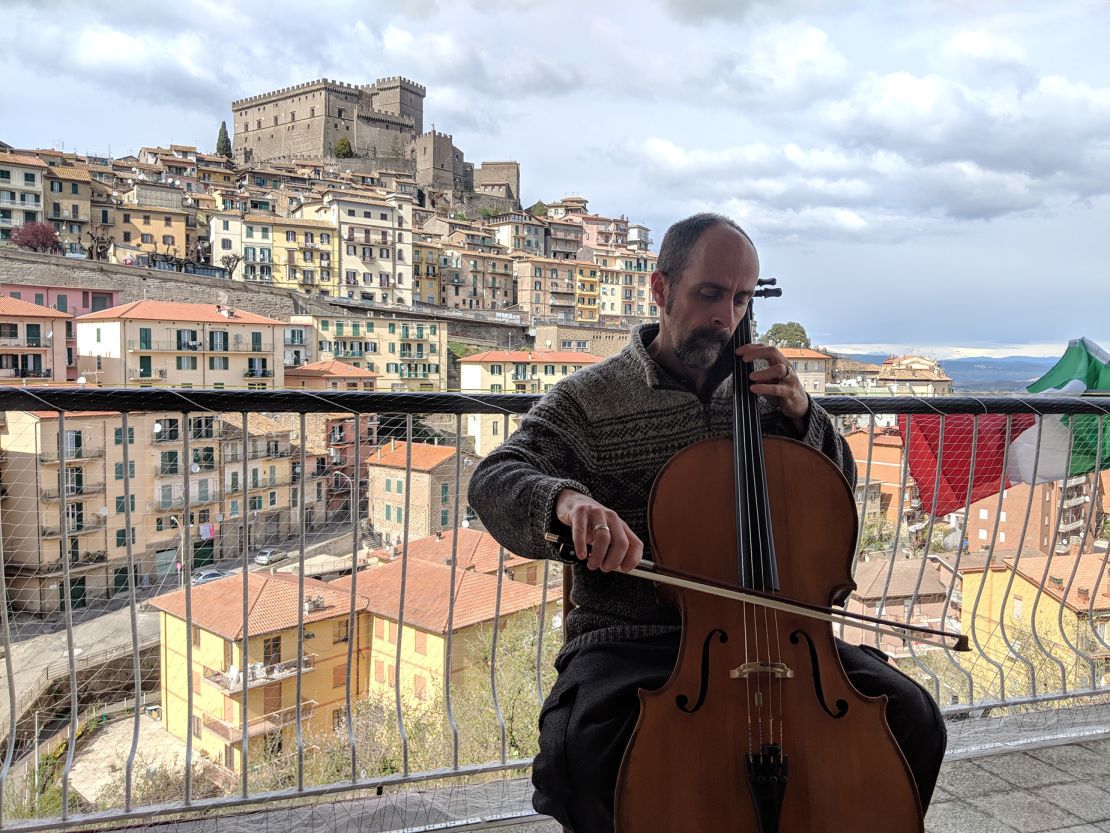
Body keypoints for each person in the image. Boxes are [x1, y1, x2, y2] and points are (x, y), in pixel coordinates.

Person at [467, 213, 946, 833]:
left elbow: (835, 492)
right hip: (632, 638)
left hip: (782, 631)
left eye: (743, 297)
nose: (727, 316)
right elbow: (498, 476)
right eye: (710, 294)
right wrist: (565, 502)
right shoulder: (590, 399)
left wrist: (805, 418)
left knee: (912, 718)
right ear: (661, 290)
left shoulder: (771, 398)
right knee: (574, 760)